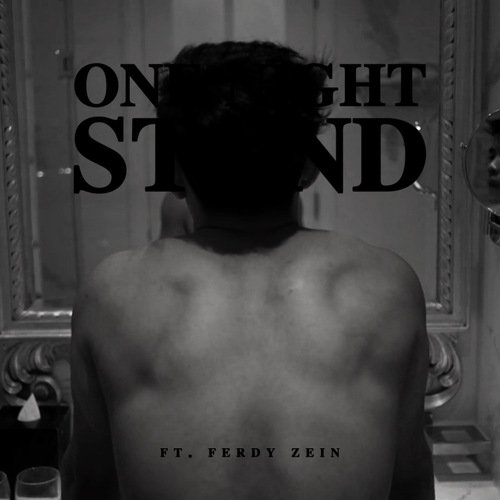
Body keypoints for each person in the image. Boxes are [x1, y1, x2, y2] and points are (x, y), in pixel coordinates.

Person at [62, 41, 434, 499]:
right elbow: (410, 482)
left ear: (173, 168)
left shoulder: (111, 294)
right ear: (310, 167)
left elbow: (90, 485)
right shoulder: (387, 287)